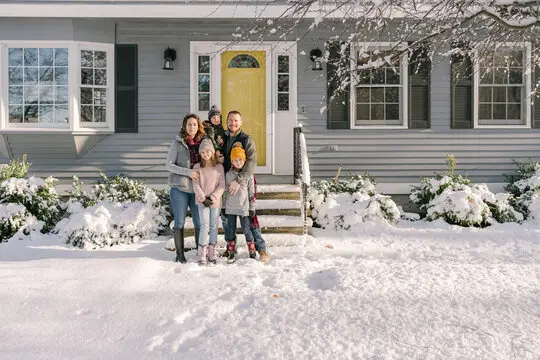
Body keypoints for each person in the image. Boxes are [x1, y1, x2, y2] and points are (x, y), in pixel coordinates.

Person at [220, 110, 270, 262]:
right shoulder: (222, 137)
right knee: (227, 219)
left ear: (240, 123)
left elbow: (252, 162)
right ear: (226, 122)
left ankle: (261, 249)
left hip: (244, 180)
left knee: (250, 218)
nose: (232, 123)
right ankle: (231, 248)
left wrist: (239, 180)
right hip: (228, 180)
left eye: (236, 120)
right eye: (230, 120)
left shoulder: (246, 139)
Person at [166, 113, 206, 263]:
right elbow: (169, 165)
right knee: (179, 222)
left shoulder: (203, 142)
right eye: (189, 124)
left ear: (198, 126)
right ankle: (180, 255)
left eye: (194, 124)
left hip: (197, 190)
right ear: (184, 126)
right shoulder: (177, 143)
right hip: (180, 189)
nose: (192, 127)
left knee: (199, 222)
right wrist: (188, 172)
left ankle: (199, 252)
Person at [192, 138, 225, 265]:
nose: (206, 154)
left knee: (213, 226)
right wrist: (203, 198)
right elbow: (195, 185)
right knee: (204, 225)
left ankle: (212, 251)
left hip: (215, 202)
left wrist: (212, 197)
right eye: (203, 152)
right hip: (202, 202)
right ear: (200, 154)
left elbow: (222, 185)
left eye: (208, 152)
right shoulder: (197, 167)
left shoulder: (219, 167)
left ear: (212, 152)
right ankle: (202, 252)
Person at [222, 143, 256, 264]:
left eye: (240, 160)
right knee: (230, 230)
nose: (238, 162)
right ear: (232, 161)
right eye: (235, 160)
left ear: (244, 160)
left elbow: (252, 192)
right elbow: (225, 192)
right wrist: (223, 207)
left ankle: (251, 248)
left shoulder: (248, 175)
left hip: (244, 208)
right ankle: (231, 250)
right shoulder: (228, 175)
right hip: (231, 208)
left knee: (246, 230)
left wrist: (252, 207)